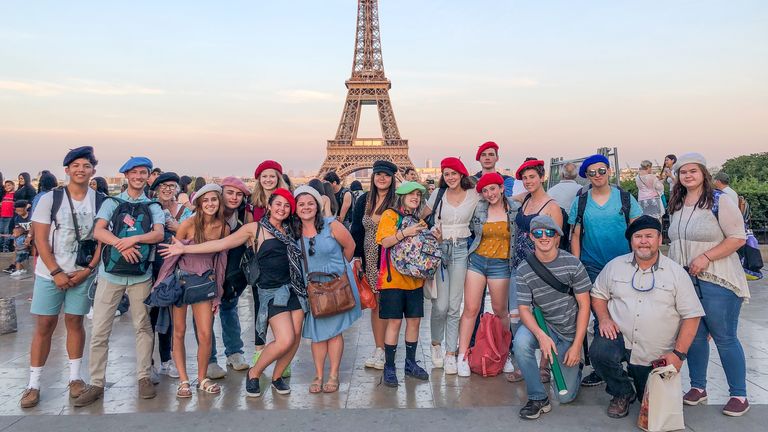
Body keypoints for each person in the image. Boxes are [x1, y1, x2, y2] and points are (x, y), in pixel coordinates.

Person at [161, 188, 307, 397]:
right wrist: (185, 249)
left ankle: (276, 377)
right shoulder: (254, 229)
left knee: (294, 339)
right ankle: (254, 373)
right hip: (272, 291)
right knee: (285, 339)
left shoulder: (291, 229)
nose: (282, 209)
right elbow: (221, 244)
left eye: (286, 206)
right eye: (278, 204)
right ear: (269, 206)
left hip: (296, 288)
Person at [589, 216, 704, 419]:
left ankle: (639, 387)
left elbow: (692, 316)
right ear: (631, 241)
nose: (643, 241)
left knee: (651, 406)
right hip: (619, 339)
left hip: (654, 351)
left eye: (649, 236)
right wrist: (604, 318)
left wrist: (678, 354)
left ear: (660, 240)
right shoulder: (615, 266)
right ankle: (622, 391)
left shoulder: (676, 273)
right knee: (599, 353)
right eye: (638, 236)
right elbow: (598, 294)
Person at [75, 156, 165, 407]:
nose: (138, 177)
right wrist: (120, 244)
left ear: (149, 176)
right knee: (100, 330)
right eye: (134, 172)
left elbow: (158, 233)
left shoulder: (153, 205)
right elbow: (99, 230)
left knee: (143, 327)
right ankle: (96, 382)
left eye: (143, 173)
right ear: (126, 175)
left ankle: (144, 376)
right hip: (110, 274)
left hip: (140, 276)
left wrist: (132, 241)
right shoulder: (112, 202)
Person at [667, 153, 750, 416]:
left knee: (725, 338)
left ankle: (739, 393)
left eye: (693, 171)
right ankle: (698, 388)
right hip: (686, 280)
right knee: (696, 338)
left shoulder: (720, 201)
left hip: (718, 279)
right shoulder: (678, 202)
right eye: (683, 172)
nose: (688, 175)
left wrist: (705, 257)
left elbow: (737, 237)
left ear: (704, 173)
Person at [20, 147, 102, 409]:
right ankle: (33, 383)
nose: (81, 169)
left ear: (93, 171)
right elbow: (41, 240)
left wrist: (88, 270)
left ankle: (75, 378)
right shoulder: (49, 199)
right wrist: (55, 272)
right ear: (66, 170)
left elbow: (102, 240)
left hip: (82, 273)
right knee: (44, 326)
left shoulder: (100, 200)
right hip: (49, 274)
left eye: (86, 165)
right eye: (75, 165)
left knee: (75, 323)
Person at [568, 154, 642, 387]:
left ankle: (631, 360)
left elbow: (638, 229)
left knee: (629, 311)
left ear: (609, 171)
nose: (598, 175)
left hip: (624, 264)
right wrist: (577, 265)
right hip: (592, 265)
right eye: (592, 172)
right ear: (587, 177)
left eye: (602, 171)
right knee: (601, 317)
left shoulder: (624, 197)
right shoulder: (581, 200)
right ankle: (605, 366)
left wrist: (639, 261)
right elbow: (576, 234)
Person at [514, 215, 591, 419]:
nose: (544, 237)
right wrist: (540, 335)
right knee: (521, 343)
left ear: (557, 237)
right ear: (531, 236)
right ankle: (538, 397)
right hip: (543, 324)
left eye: (549, 233)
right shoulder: (523, 269)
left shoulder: (573, 264)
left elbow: (585, 306)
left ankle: (576, 366)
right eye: (538, 233)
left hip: (568, 331)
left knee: (564, 396)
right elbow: (523, 309)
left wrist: (577, 345)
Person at [157, 184, 229, 398]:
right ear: (198, 203)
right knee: (178, 332)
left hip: (205, 283)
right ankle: (183, 380)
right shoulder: (187, 225)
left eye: (214, 200)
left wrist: (218, 293)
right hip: (181, 283)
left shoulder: (223, 228)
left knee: (206, 333)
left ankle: (202, 377)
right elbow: (172, 257)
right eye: (205, 200)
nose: (210, 204)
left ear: (219, 203)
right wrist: (162, 285)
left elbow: (221, 262)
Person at [293, 185, 361, 393]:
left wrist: (338, 272)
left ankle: (333, 375)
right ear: (295, 208)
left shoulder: (332, 225)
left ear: (318, 205)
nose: (306, 207)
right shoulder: (294, 233)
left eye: (310, 203)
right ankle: (319, 374)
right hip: (313, 288)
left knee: (333, 333)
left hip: (337, 285)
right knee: (317, 333)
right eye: (301, 204)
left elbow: (350, 247)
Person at [507, 159, 564, 381]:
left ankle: (544, 365)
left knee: (544, 315)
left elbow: (556, 239)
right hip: (519, 265)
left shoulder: (551, 206)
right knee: (518, 315)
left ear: (542, 177)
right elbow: (507, 201)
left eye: (532, 177)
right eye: (525, 178)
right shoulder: (525, 200)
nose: (528, 181)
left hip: (541, 268)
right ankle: (524, 362)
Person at [457, 173, 519, 377]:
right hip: (477, 260)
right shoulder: (479, 208)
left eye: (493, 188)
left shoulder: (515, 210)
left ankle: (504, 352)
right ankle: (463, 355)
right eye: (485, 190)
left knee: (501, 311)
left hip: (501, 265)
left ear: (502, 188)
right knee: (471, 309)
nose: (490, 193)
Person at [421, 158, 478, 374]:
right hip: (440, 249)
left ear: (462, 174)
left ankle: (450, 353)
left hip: (462, 250)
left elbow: (498, 199)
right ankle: (436, 343)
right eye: (446, 174)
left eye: (454, 173)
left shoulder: (474, 195)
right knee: (441, 305)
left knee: (455, 306)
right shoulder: (437, 195)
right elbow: (419, 217)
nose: (451, 177)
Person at [377, 181, 433, 386]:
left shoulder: (418, 220)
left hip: (414, 281)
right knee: (394, 323)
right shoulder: (390, 215)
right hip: (392, 280)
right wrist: (405, 233)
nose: (416, 197)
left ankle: (410, 363)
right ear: (402, 196)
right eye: (411, 194)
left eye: (418, 194)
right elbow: (385, 242)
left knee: (414, 321)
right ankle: (389, 366)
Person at [350, 160, 399, 370]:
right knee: (376, 305)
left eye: (386, 175)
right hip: (370, 257)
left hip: (393, 257)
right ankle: (379, 348)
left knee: (391, 304)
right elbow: (356, 230)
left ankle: (389, 348)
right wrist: (357, 257)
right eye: (378, 173)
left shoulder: (398, 200)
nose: (381, 178)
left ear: (392, 178)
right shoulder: (364, 200)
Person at [206, 176, 253, 375]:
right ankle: (209, 359)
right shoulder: (206, 213)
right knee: (204, 314)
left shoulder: (244, 215)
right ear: (221, 193)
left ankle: (234, 352)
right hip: (206, 271)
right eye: (230, 192)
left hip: (232, 274)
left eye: (239, 194)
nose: (234, 198)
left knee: (229, 308)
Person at [149, 172, 193, 379]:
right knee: (150, 317)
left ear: (178, 189)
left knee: (173, 319)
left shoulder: (186, 213)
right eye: (163, 186)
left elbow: (196, 238)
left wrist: (178, 229)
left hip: (176, 272)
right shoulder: (150, 208)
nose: (167, 189)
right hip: (152, 269)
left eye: (172, 186)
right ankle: (147, 362)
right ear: (156, 189)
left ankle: (168, 360)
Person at [249, 160, 290, 369]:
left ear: (278, 178)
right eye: (264, 176)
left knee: (281, 309)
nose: (268, 179)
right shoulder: (252, 203)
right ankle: (259, 351)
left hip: (283, 263)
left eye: (272, 176)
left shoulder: (286, 200)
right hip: (262, 263)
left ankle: (281, 352)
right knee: (260, 307)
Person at [1, 180, 16, 254]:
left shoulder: (14, 195)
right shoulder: (4, 195)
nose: (7, 187)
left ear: (13, 186)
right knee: (1, 232)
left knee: (7, 233)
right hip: (2, 217)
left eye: (9, 185)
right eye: (5, 186)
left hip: (9, 217)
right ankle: (1, 247)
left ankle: (5, 248)